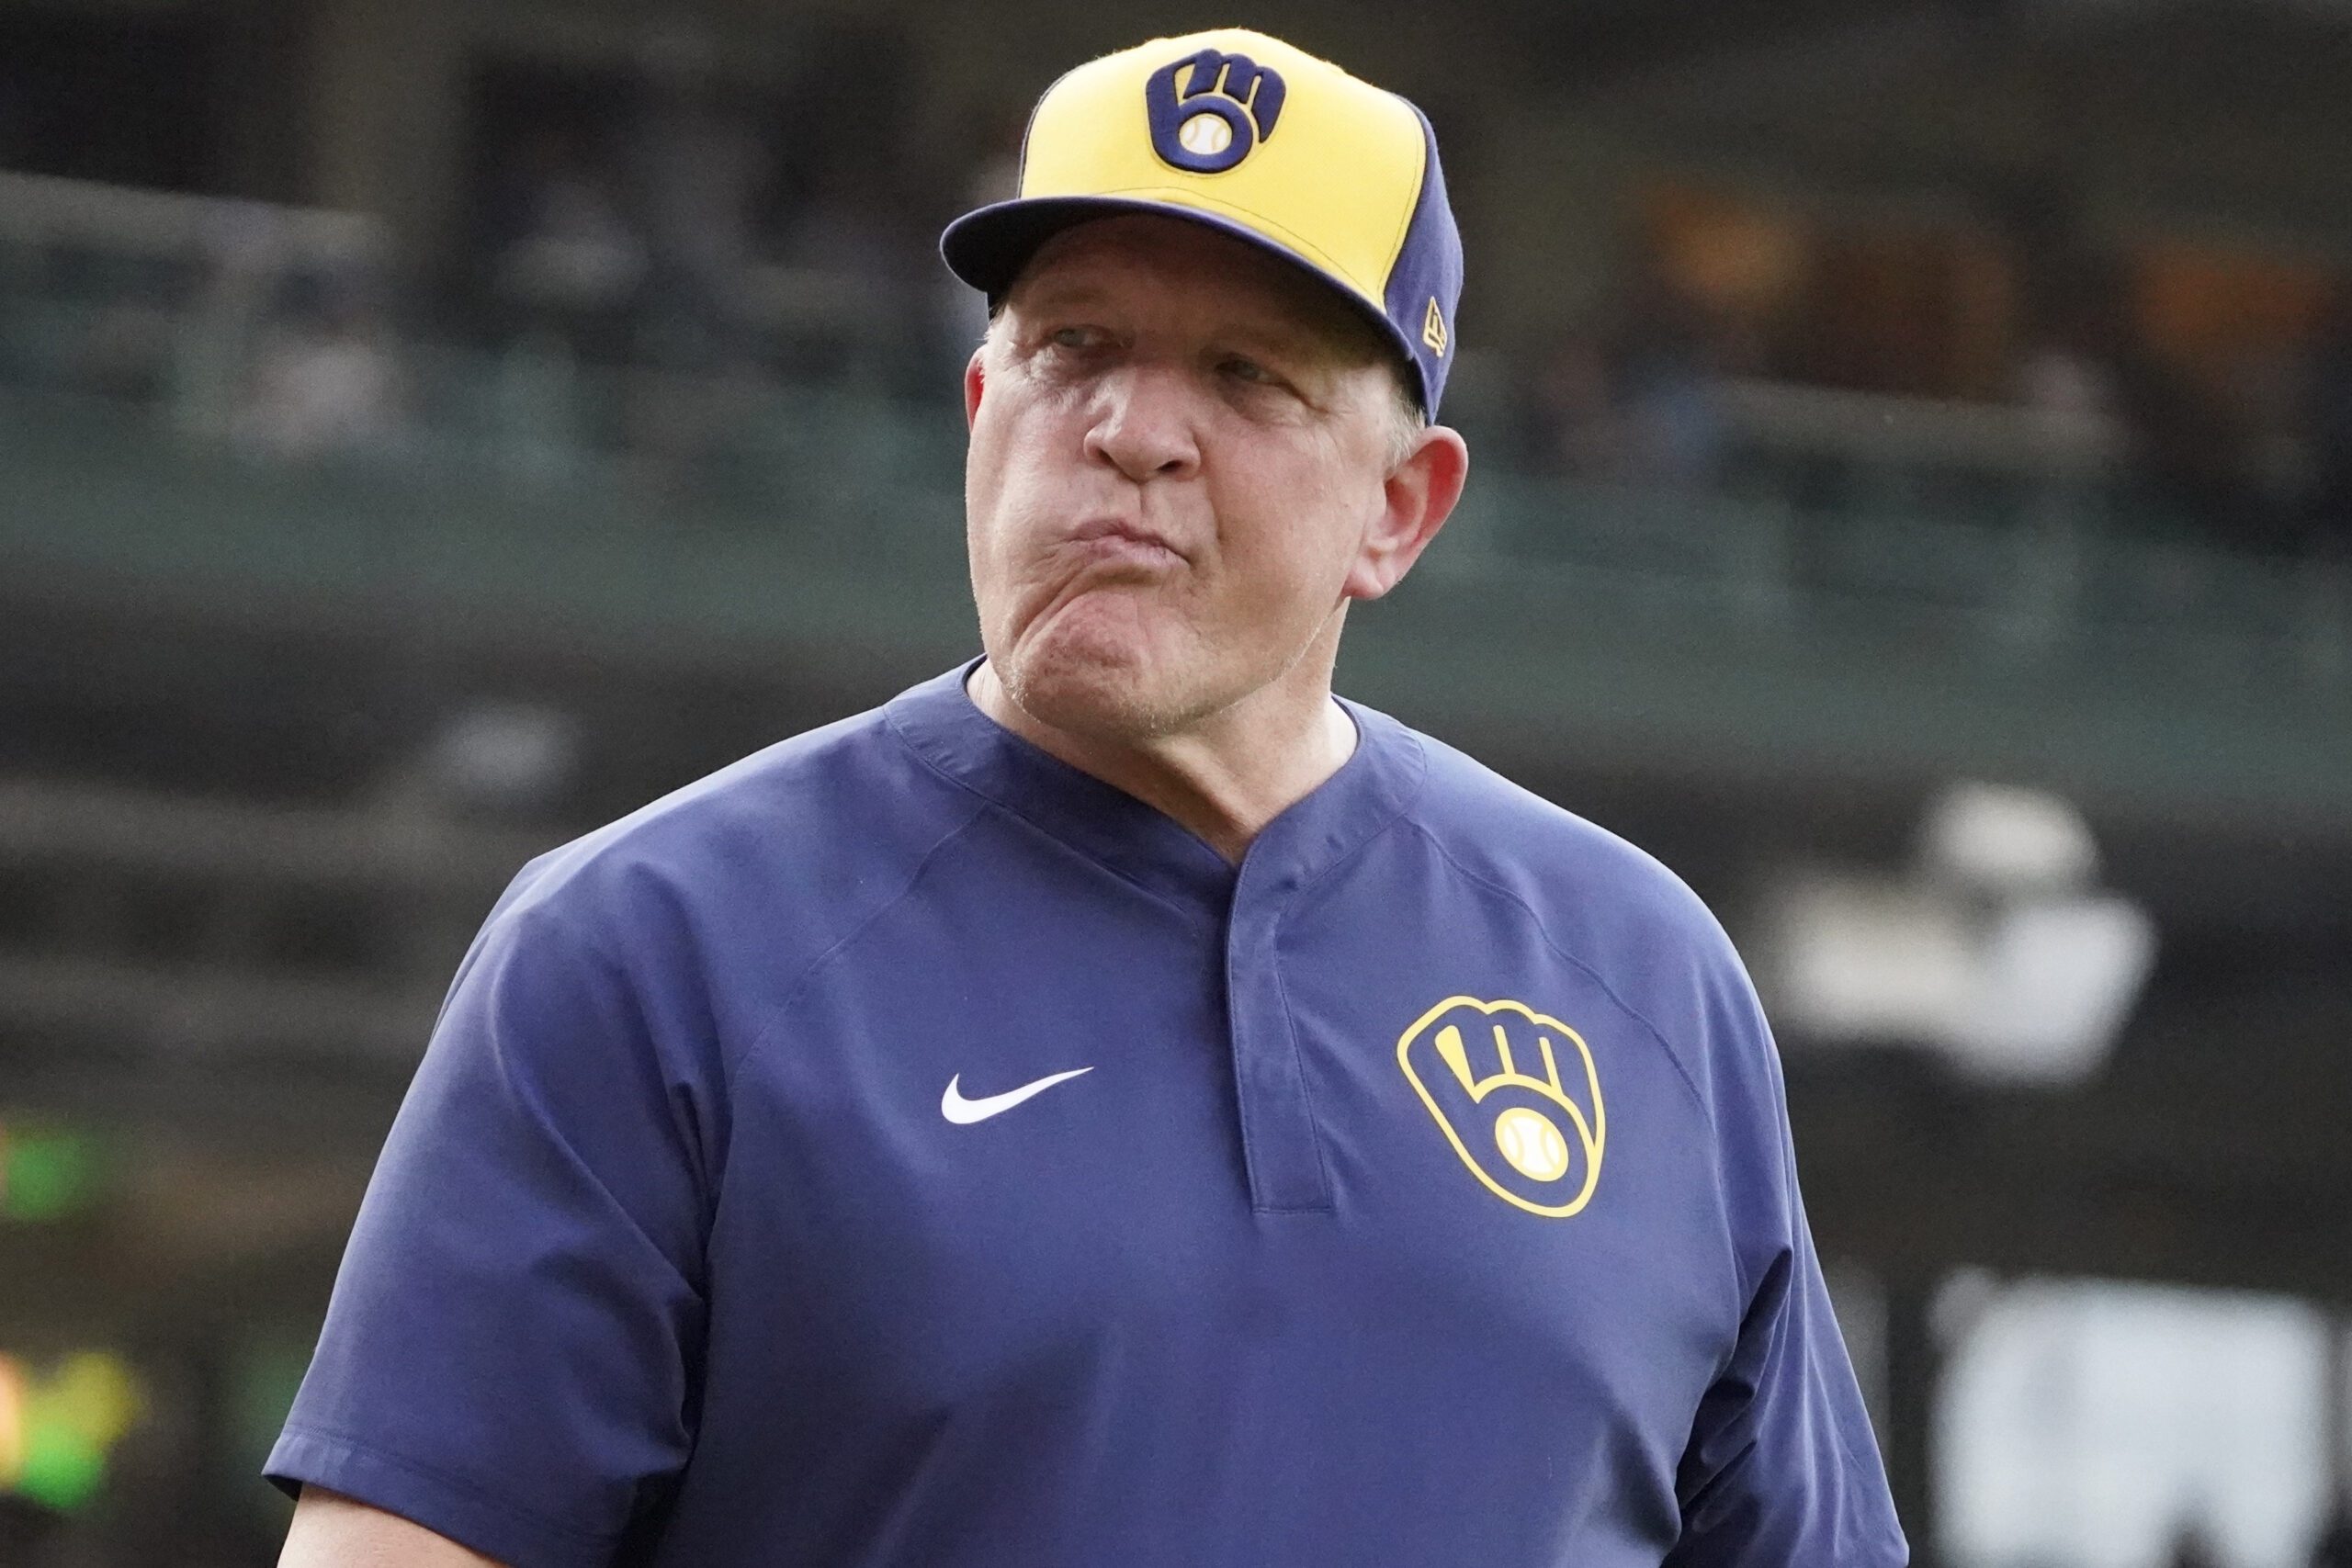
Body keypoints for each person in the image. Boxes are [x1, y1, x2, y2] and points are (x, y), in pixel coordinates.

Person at [269, 28, 1906, 1568]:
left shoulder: (1638, 976)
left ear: (1400, 511)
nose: (1130, 430)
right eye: (1074, 348)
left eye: (1249, 375)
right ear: (984, 415)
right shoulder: (652, 949)